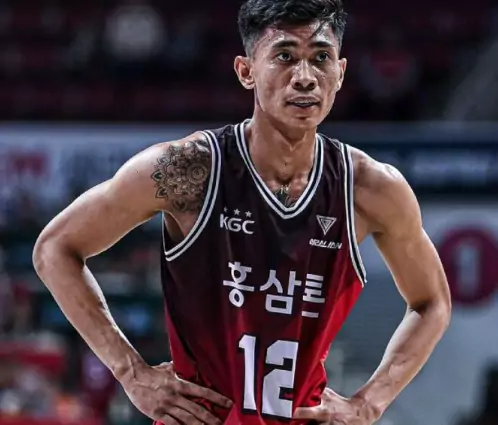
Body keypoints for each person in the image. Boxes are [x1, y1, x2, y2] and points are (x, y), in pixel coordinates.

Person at [33, 0, 452, 424]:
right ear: (246, 71)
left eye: (321, 58)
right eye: (284, 56)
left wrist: (368, 404)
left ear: (340, 73)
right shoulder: (188, 169)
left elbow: (432, 301)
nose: (305, 77)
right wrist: (131, 372)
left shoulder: (369, 187)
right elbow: (54, 248)